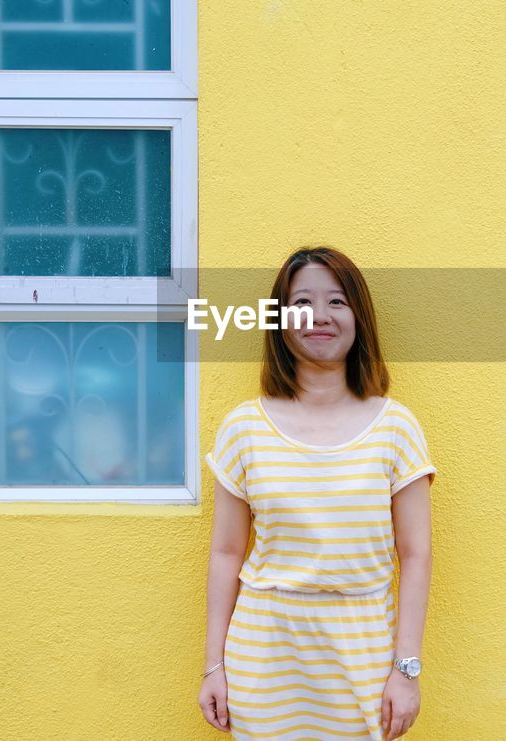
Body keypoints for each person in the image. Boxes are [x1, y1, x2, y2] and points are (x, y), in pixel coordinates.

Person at [198, 246, 437, 740]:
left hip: (363, 653)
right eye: (301, 302)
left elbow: (415, 555)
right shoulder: (244, 428)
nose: (318, 317)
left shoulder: (396, 427)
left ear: (358, 317)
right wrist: (213, 665)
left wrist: (407, 669)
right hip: (264, 655)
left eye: (337, 302)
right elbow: (225, 553)